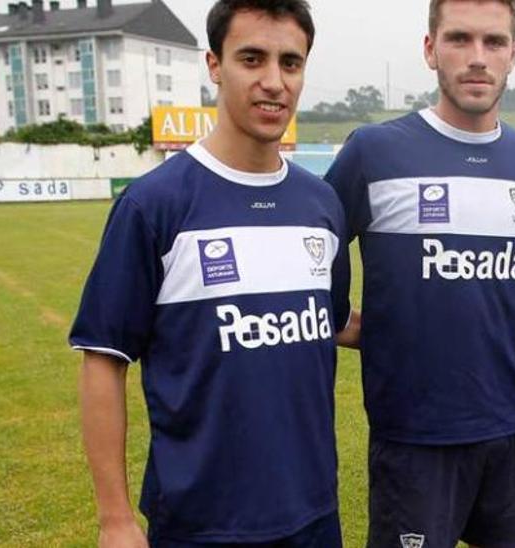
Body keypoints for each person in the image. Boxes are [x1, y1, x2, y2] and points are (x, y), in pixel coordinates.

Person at [70, 1, 356, 546]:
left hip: (314, 514)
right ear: (214, 65)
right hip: (201, 523)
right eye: (252, 58)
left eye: (290, 63)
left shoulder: (322, 205)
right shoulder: (153, 205)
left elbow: (335, 322)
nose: (274, 82)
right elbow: (104, 359)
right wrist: (115, 517)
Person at [323, 0, 515, 546]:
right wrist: (343, 320)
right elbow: (312, 241)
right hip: (414, 435)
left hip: (512, 427)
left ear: (514, 54)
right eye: (459, 39)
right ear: (430, 49)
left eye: (494, 42)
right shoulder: (374, 151)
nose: (478, 58)